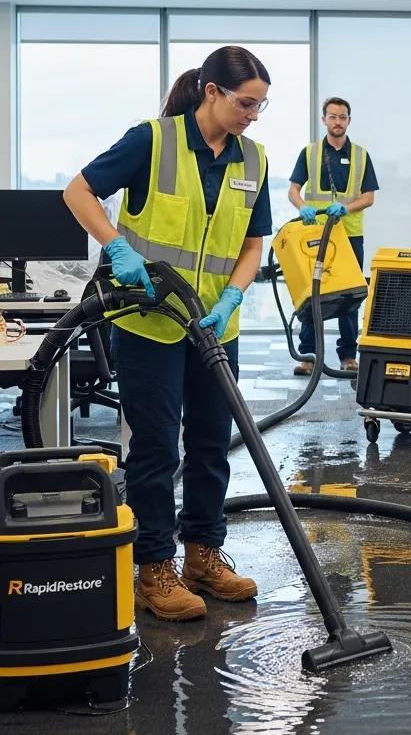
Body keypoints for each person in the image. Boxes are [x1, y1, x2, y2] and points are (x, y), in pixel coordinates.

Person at [63, 45, 272, 622]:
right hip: (150, 323)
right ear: (212, 92)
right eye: (246, 103)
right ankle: (154, 567)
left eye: (261, 106)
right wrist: (117, 245)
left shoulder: (252, 159)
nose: (253, 115)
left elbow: (254, 243)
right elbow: (78, 191)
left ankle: (204, 554)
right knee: (155, 446)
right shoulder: (152, 141)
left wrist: (233, 296)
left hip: (212, 325)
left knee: (210, 444)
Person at [287, 96, 378, 376]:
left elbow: (369, 197)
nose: (338, 122)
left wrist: (346, 208)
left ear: (349, 121)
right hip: (317, 234)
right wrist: (303, 209)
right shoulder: (310, 153)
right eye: (333, 116)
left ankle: (348, 355)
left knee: (349, 295)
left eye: (343, 117)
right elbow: (293, 191)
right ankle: (309, 356)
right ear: (324, 119)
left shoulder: (361, 155)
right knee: (313, 293)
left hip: (349, 235)